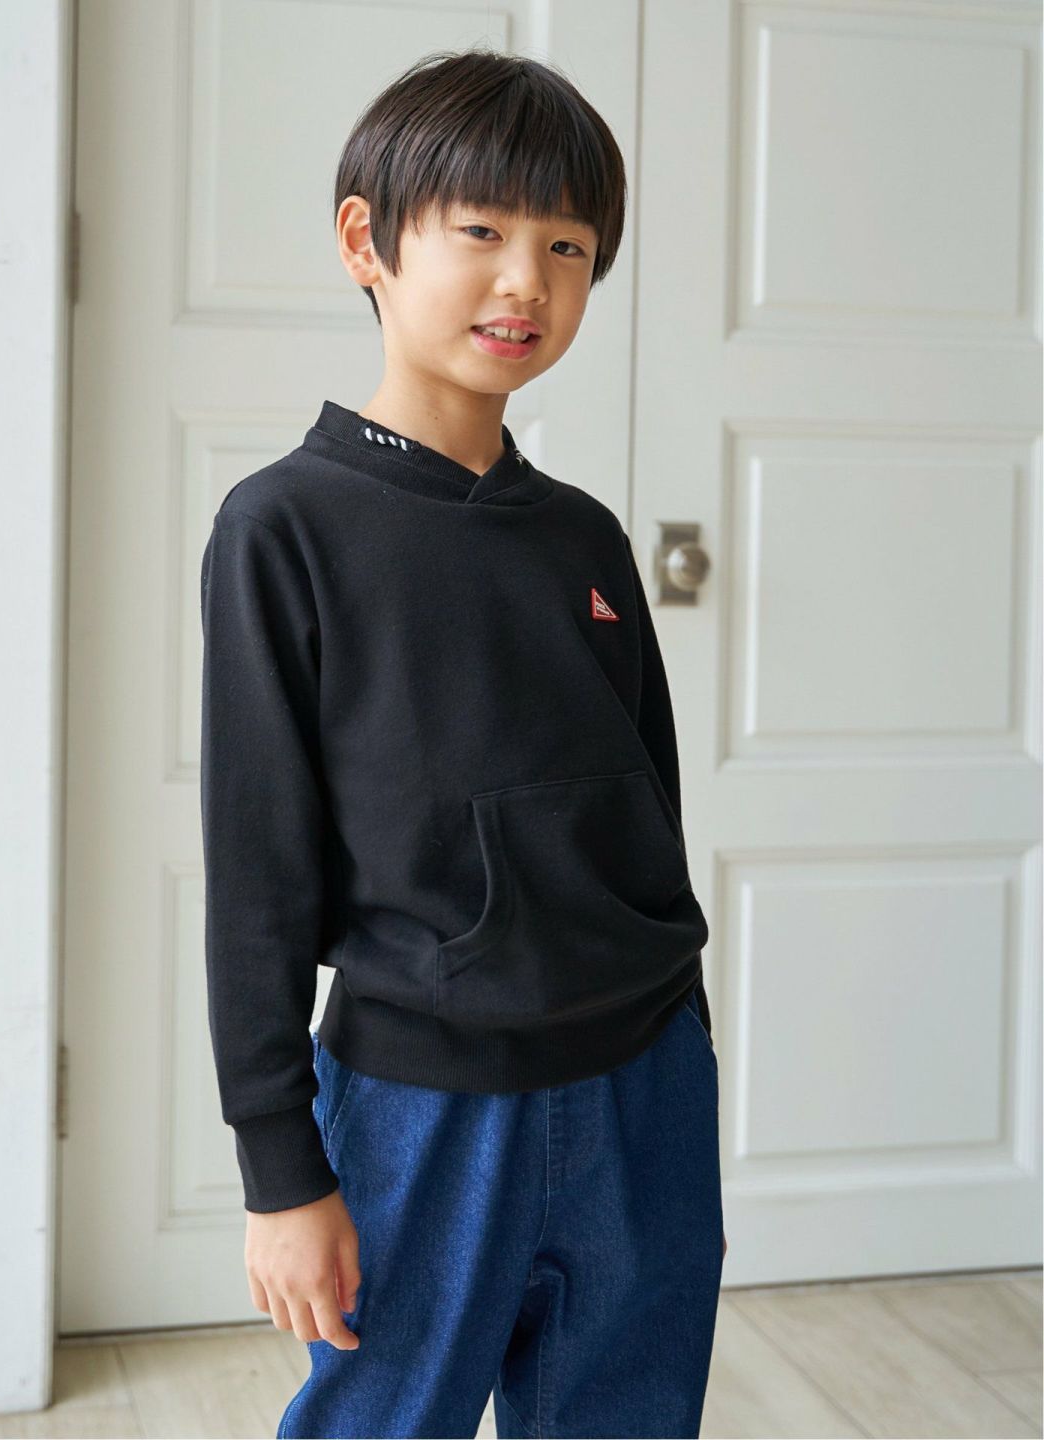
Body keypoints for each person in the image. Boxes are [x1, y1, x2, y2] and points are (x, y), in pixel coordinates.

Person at [199, 46, 725, 1440]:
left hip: (643, 1084)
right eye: (482, 231)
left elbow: (650, 813)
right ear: (366, 241)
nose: (526, 282)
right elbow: (255, 873)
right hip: (425, 1103)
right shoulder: (283, 528)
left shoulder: (584, 539)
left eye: (568, 247)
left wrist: (685, 1037)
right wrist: (280, 1170)